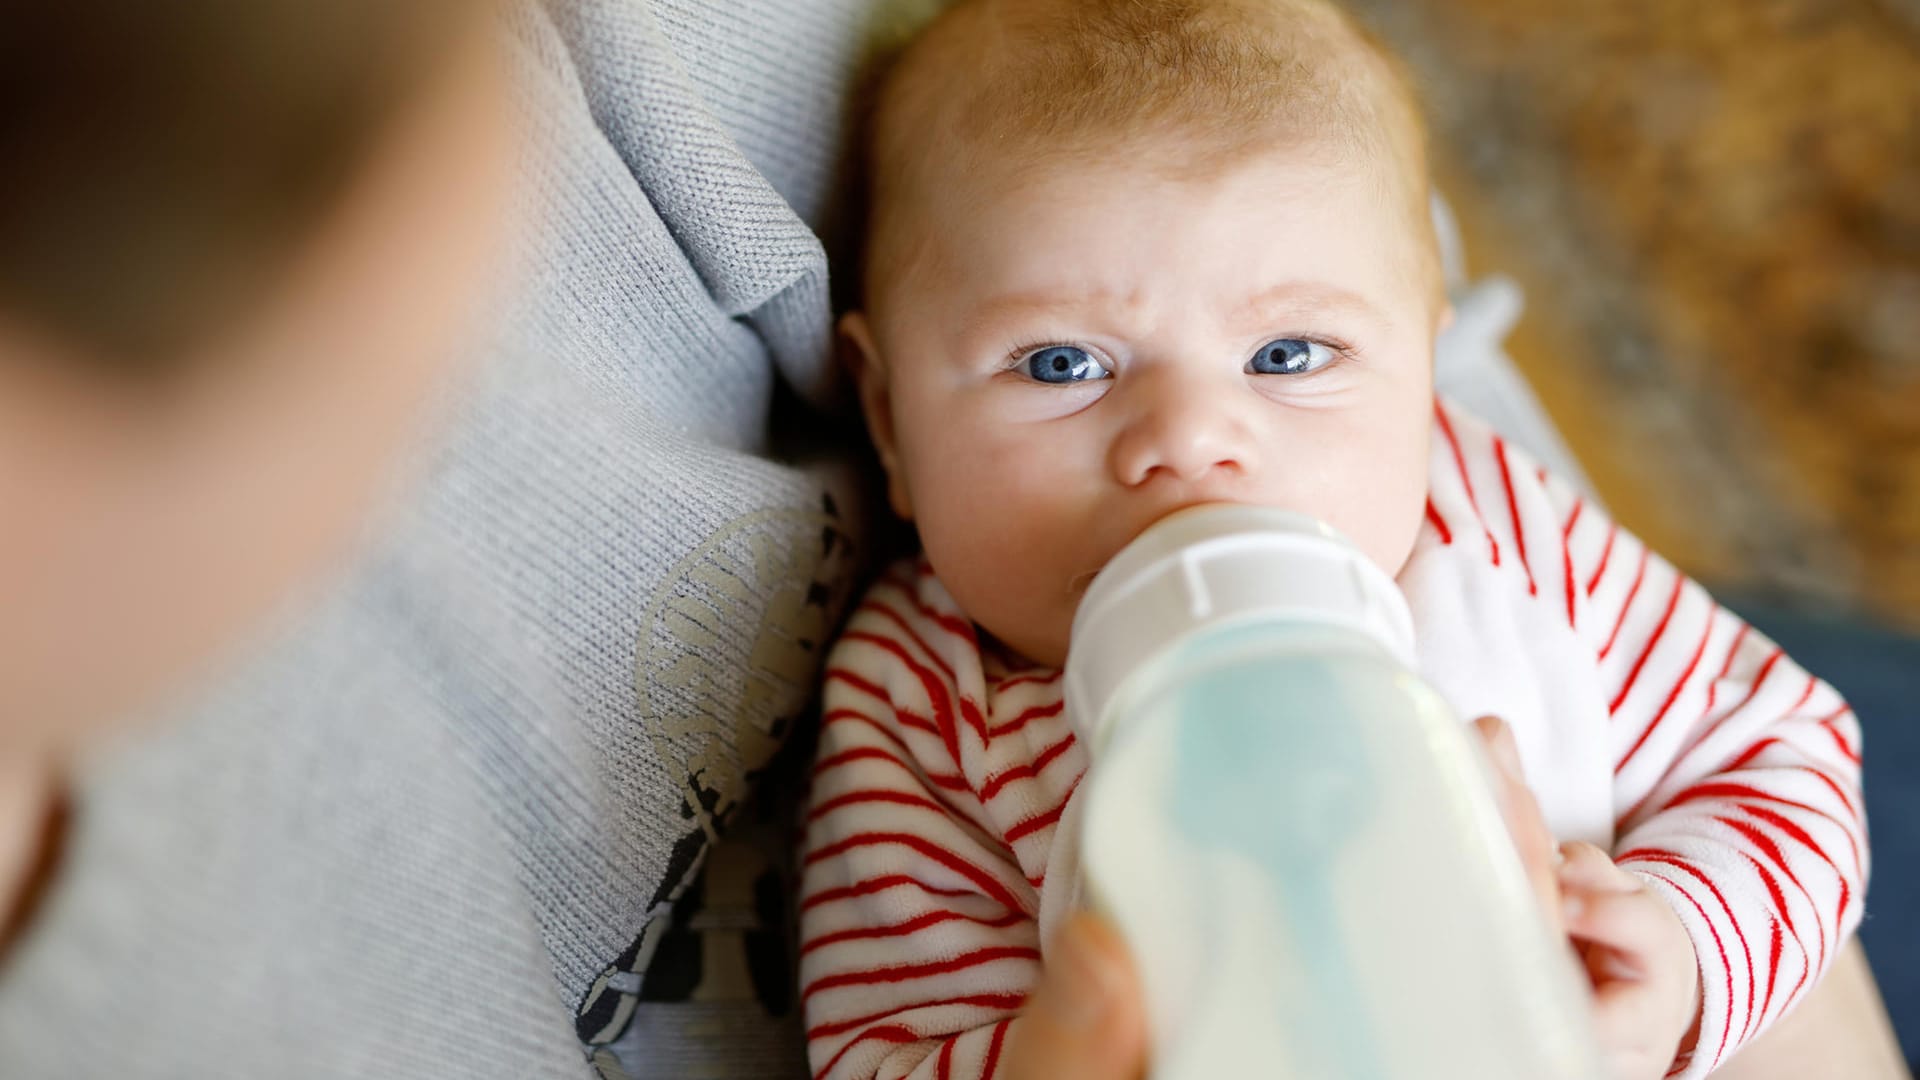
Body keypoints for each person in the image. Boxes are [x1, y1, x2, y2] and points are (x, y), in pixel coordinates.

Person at [799, 1, 1870, 1078]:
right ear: (890, 420)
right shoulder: (924, 708)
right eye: (1059, 366)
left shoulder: (1491, 525)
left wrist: (1686, 952)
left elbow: (1781, 753)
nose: (1190, 438)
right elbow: (882, 1049)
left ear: (1425, 375)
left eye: (1289, 354)